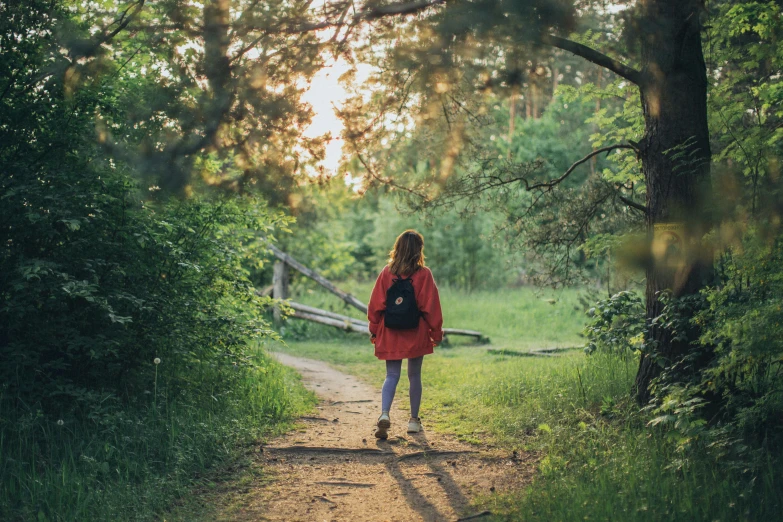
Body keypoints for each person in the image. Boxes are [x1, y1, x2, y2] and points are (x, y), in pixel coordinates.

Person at [367, 230, 443, 439]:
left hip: (390, 331)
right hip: (415, 331)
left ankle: (384, 414)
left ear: (397, 248)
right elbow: (431, 306)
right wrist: (436, 332)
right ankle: (413, 421)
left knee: (391, 375)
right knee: (414, 375)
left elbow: (375, 305)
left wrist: (374, 329)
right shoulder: (424, 274)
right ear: (419, 250)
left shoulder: (386, 272)